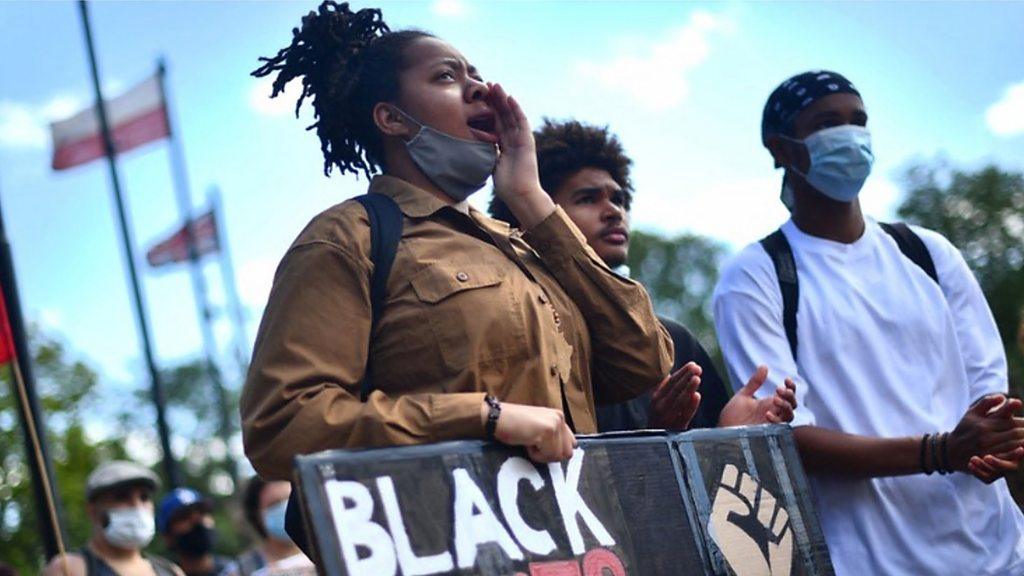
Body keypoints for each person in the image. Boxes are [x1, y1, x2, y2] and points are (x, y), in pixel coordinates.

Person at [241, 0, 673, 485]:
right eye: (448, 77)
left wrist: (532, 201)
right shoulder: (347, 239)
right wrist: (483, 417)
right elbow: (282, 426)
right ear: (392, 119)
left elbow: (645, 360)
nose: (481, 89)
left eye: (477, 75)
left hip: (585, 544)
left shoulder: (524, 241)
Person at [712, 70, 1024, 575]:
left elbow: (988, 395)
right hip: (871, 561)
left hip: (997, 552)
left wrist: (994, 441)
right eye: (826, 123)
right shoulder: (756, 276)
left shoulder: (929, 254)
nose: (851, 136)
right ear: (782, 150)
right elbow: (784, 436)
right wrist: (940, 450)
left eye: (859, 121)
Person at [490, 119, 797, 431]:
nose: (613, 211)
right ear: (532, 213)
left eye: (619, 199)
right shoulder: (519, 334)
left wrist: (728, 434)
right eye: (587, 198)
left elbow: (709, 471)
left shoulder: (673, 340)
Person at [42, 461, 182, 576]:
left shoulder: (171, 571)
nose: (137, 506)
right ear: (92, 510)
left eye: (144, 497)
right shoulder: (68, 569)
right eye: (121, 497)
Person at [222, 478, 313, 576]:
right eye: (274, 504)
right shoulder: (239, 571)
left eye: (289, 499)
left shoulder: (326, 553)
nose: (285, 508)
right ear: (257, 516)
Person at [156, 489, 231, 576]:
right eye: (184, 516)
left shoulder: (237, 571)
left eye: (202, 512)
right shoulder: (157, 573)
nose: (197, 520)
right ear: (167, 536)